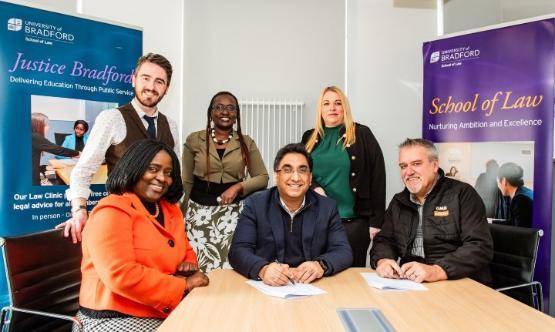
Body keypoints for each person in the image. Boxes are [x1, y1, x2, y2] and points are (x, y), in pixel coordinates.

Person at [75, 139, 209, 331]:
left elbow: (184, 248)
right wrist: (184, 284)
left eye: (168, 173)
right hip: (113, 316)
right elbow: (120, 274)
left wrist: (188, 263)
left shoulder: (170, 210)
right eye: (153, 169)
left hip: (160, 308)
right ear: (134, 169)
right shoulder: (111, 211)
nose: (162, 178)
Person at [63, 53, 179, 243]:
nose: (151, 86)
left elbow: (175, 177)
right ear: (134, 80)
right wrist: (79, 210)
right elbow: (83, 170)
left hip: (160, 223)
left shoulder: (171, 125)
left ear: (166, 89)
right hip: (123, 220)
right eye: (146, 78)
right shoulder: (112, 118)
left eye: (159, 81)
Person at [370, 138, 493, 284]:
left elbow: (479, 246)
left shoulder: (462, 194)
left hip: (458, 281)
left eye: (416, 164)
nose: (408, 172)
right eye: (403, 166)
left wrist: (437, 270)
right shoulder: (399, 201)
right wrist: (383, 260)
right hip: (412, 283)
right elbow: (384, 240)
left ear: (434, 166)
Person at [229, 143, 353, 286]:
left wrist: (320, 265)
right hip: (268, 286)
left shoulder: (327, 207)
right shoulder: (256, 204)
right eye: (287, 170)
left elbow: (343, 251)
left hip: (312, 286)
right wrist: (262, 269)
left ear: (310, 177)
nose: (295, 178)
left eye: (302, 170)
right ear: (276, 175)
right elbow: (238, 251)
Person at [182, 91, 269, 272]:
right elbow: (187, 180)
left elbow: (263, 178)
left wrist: (238, 187)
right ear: (210, 112)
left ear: (236, 114)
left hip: (233, 215)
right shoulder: (194, 139)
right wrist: (181, 216)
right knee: (198, 267)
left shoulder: (246, 142)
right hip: (198, 213)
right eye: (219, 107)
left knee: (231, 267)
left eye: (231, 108)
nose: (225, 112)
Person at [302, 86, 385, 267]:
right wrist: (315, 186)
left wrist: (376, 222)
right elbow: (301, 171)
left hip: (353, 224)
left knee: (351, 280)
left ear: (344, 108)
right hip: (316, 221)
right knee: (316, 273)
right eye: (327, 103)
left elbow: (378, 177)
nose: (332, 108)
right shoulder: (309, 137)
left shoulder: (362, 134)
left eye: (338, 103)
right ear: (320, 109)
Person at [31, 112, 79, 185]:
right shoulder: (34, 137)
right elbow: (58, 150)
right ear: (38, 126)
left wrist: (45, 167)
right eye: (46, 125)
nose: (48, 127)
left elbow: (31, 165)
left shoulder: (31, 137)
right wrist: (78, 153)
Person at [497, 162, 533, 228]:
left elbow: (521, 232)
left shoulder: (520, 200)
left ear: (504, 181)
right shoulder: (525, 192)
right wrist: (492, 223)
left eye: (499, 181)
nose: (499, 185)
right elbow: (514, 223)